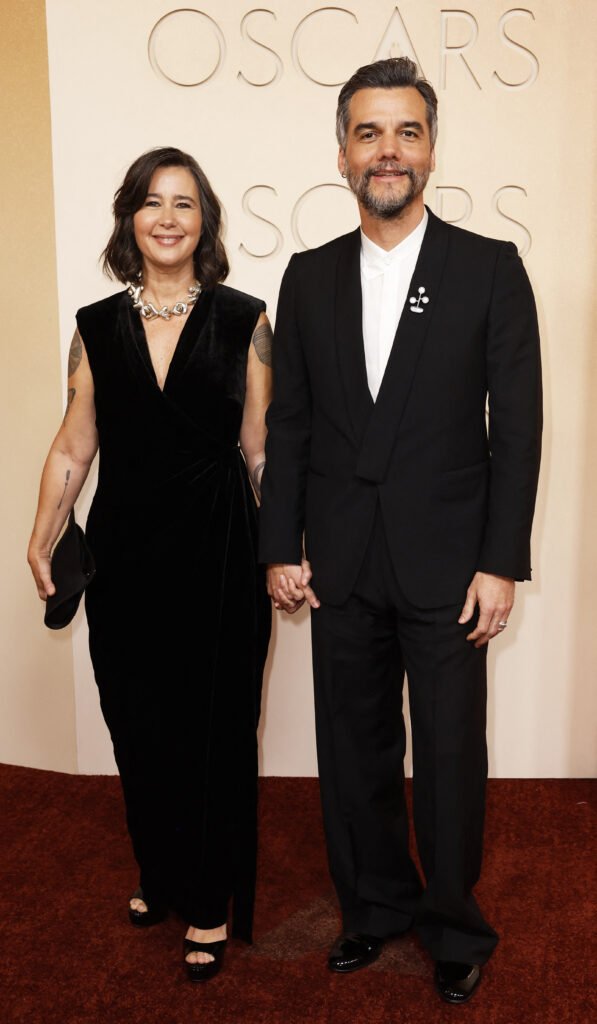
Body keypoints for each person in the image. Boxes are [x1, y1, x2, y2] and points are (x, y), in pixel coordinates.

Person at [259, 58, 541, 1004]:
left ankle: (454, 926)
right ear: (341, 152)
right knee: (353, 748)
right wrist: (278, 544)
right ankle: (373, 909)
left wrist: (501, 563)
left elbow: (520, 429)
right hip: (338, 558)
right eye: (369, 132)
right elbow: (289, 424)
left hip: (450, 562)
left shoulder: (488, 268)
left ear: (430, 148)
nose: (388, 150)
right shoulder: (306, 278)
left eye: (406, 131)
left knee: (453, 752)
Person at [28, 147, 272, 982]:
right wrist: (42, 528)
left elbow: (260, 452)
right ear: (130, 217)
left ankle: (207, 898)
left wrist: (287, 549)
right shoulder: (96, 326)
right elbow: (73, 444)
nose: (168, 217)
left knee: (212, 728)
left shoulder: (244, 318)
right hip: (126, 556)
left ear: (205, 224)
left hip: (220, 553)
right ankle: (161, 870)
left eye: (186, 204)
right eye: (152, 202)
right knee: (137, 720)